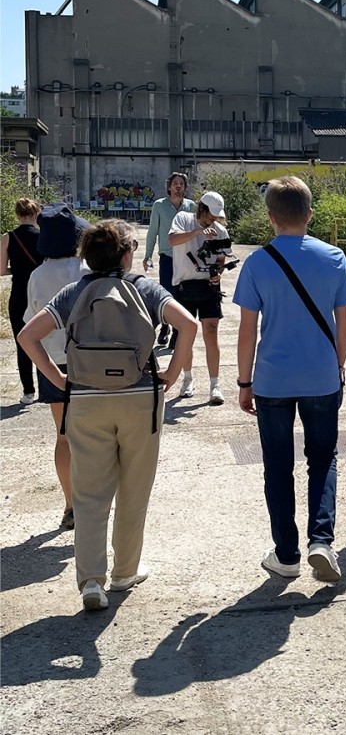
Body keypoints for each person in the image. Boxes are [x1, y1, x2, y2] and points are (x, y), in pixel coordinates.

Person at [17, 220, 198, 611]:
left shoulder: (74, 292)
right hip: (139, 399)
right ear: (126, 254)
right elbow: (189, 324)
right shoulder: (144, 288)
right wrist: (170, 374)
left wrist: (59, 378)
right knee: (134, 488)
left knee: (89, 493)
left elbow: (27, 336)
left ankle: (91, 581)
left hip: (85, 399)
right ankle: (124, 571)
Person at [234, 176, 346, 583]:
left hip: (271, 380)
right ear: (309, 214)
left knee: (277, 465)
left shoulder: (256, 263)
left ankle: (286, 554)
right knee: (323, 459)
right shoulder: (335, 258)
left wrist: (243, 382)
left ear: (271, 217)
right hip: (322, 377)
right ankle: (321, 541)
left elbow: (247, 330)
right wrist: (335, 365)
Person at [25, 204, 90, 530]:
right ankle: (95, 501)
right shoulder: (86, 269)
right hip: (89, 361)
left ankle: (69, 506)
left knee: (64, 436)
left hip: (51, 362)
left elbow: (30, 323)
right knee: (94, 436)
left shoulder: (37, 276)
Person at [168, 190, 230, 405]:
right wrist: (197, 234)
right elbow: (172, 240)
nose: (213, 220)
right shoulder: (183, 219)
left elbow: (222, 257)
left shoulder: (220, 230)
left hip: (209, 286)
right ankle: (187, 379)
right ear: (201, 208)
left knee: (211, 333)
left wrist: (219, 273)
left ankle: (215, 385)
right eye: (210, 215)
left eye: (216, 216)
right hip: (185, 285)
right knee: (186, 335)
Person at [143, 172, 196, 349]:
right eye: (175, 183)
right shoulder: (159, 205)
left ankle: (176, 334)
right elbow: (153, 232)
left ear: (185, 187)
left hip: (186, 258)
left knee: (182, 295)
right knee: (167, 294)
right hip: (167, 256)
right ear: (169, 187)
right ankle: (165, 325)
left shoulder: (191, 206)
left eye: (181, 183)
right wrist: (148, 255)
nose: (178, 186)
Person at [1, 198, 43, 404]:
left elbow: (1, 270)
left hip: (19, 294)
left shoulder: (7, 238)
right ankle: (48, 385)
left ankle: (28, 391)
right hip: (41, 293)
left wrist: (17, 269)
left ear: (17, 215)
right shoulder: (44, 236)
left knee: (23, 341)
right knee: (46, 340)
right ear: (36, 214)